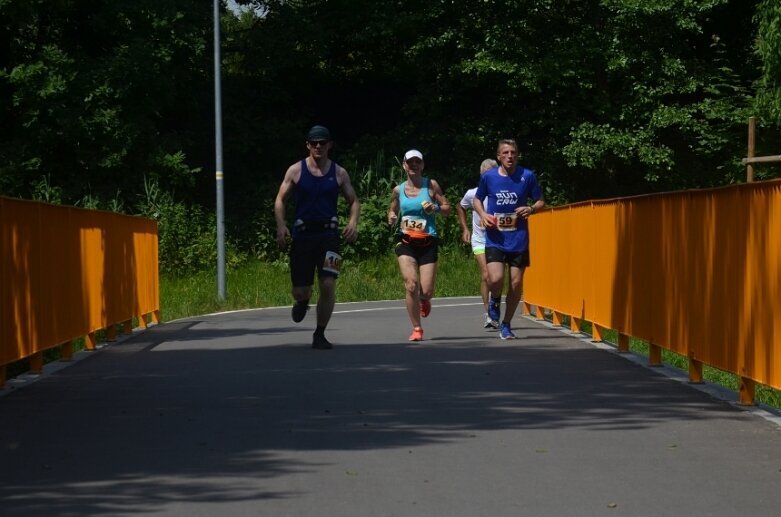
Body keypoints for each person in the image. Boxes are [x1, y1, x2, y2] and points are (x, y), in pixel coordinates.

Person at [274, 125, 360, 349]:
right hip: (303, 236)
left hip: (329, 236)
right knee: (301, 289)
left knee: (328, 283)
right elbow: (280, 200)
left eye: (323, 142)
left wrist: (352, 223)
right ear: (308, 145)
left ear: (330, 145)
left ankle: (320, 333)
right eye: (314, 143)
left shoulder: (339, 173)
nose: (318, 146)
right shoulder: (296, 170)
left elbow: (354, 201)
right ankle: (302, 301)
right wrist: (281, 225)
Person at [472, 139, 544, 340]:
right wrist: (483, 215)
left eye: (513, 152)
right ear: (499, 156)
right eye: (505, 153)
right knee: (495, 278)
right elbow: (477, 199)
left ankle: (506, 324)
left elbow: (540, 201)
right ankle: (494, 299)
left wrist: (530, 208)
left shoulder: (527, 176)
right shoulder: (489, 177)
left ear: (517, 155)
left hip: (518, 239)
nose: (510, 156)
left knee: (516, 283)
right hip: (495, 238)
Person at [388, 149, 451, 341]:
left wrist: (437, 208)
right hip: (406, 241)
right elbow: (392, 209)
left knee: (427, 290)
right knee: (410, 284)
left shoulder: (431, 185)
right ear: (404, 165)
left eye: (418, 162)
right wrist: (391, 216)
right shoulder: (398, 190)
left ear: (422, 165)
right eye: (410, 162)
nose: (414, 165)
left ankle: (424, 300)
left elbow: (447, 208)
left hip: (428, 242)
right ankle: (417, 328)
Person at [456, 158, 499, 329]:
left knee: (496, 278)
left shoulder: (501, 193)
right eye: (485, 175)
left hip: (498, 240)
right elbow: (460, 207)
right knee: (486, 275)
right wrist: (465, 229)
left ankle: (494, 307)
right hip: (480, 239)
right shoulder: (472, 193)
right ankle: (488, 313)